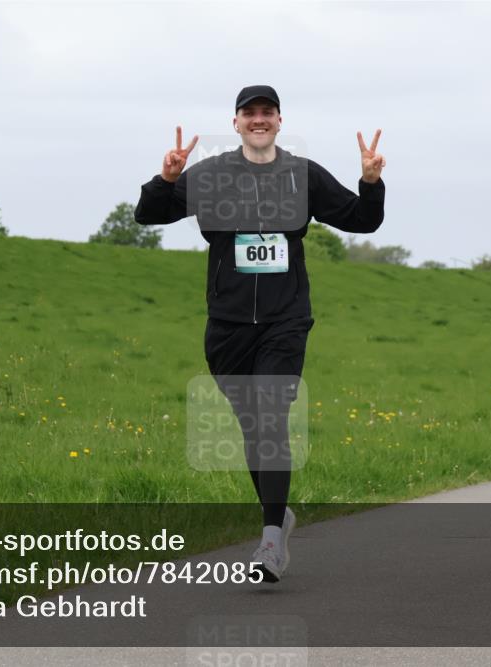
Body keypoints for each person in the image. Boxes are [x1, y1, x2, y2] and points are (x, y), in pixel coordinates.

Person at [134, 85, 386, 582]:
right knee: (254, 429)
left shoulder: (303, 175)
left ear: (279, 121)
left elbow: (363, 220)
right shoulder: (210, 174)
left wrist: (370, 181)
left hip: (284, 321)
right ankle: (278, 513)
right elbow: (149, 214)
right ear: (236, 123)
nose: (258, 119)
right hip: (227, 327)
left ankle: (270, 541)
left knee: (271, 419)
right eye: (249, 113)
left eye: (267, 112)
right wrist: (166, 179)